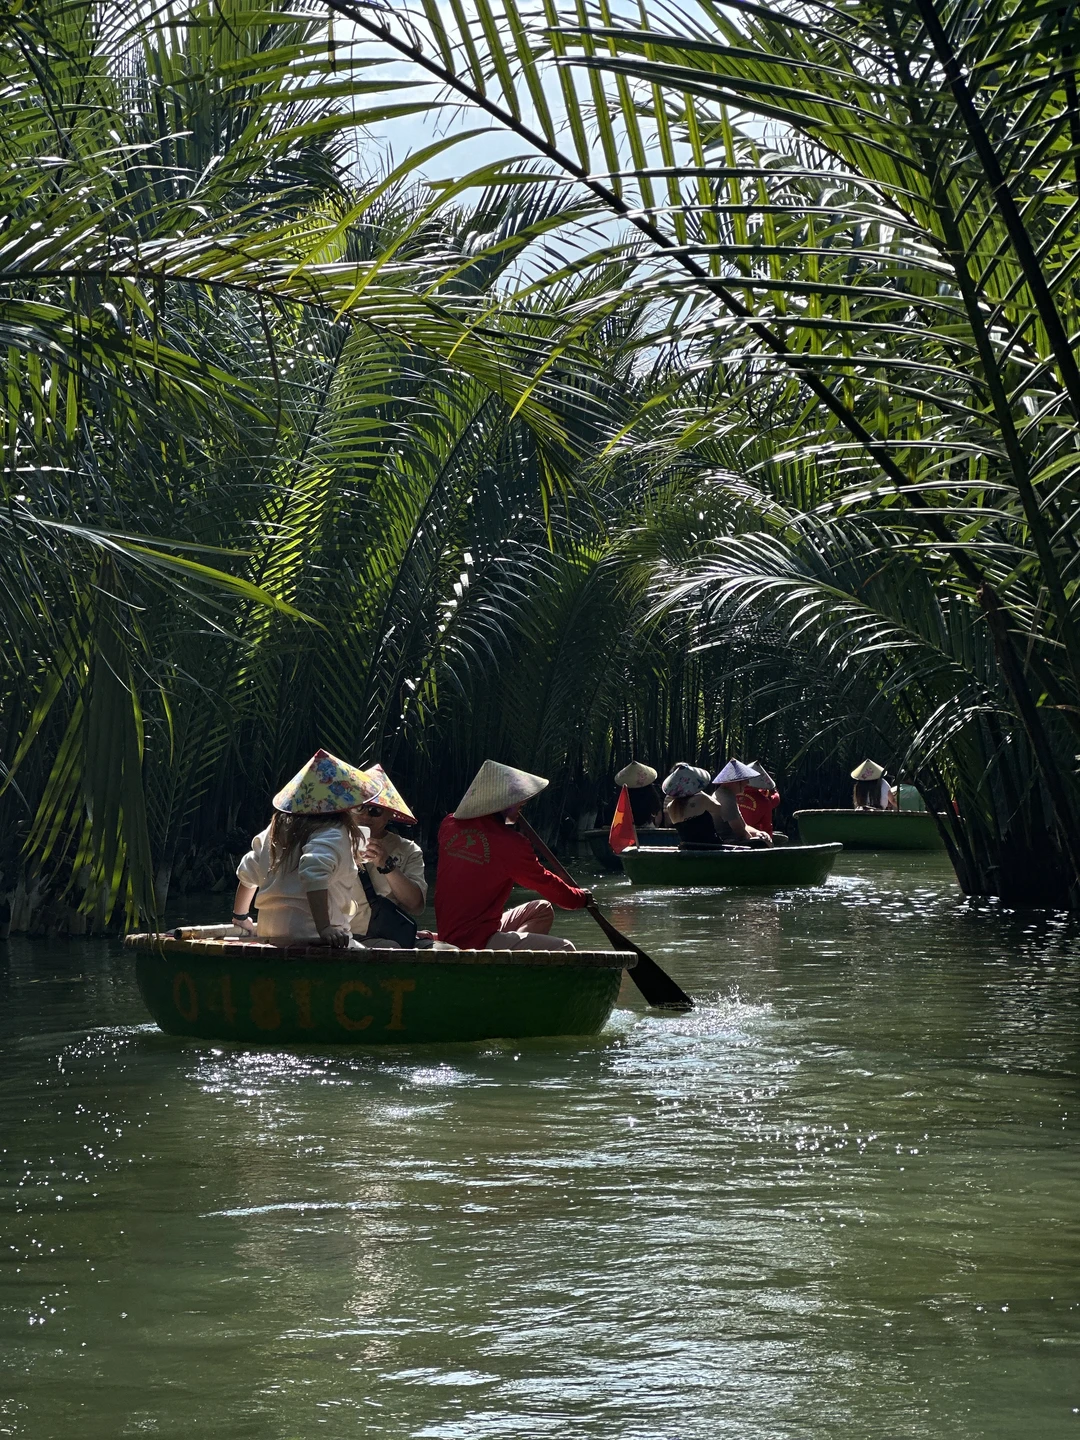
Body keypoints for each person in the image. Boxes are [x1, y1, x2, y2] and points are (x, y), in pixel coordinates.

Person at [435, 760, 592, 950]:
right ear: (502, 805)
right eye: (518, 805)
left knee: (542, 909)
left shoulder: (448, 825)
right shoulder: (511, 843)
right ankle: (507, 957)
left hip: (463, 930)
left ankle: (511, 958)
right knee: (566, 948)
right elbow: (544, 881)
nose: (521, 808)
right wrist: (580, 898)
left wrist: (509, 816)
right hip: (475, 941)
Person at [231, 749, 380, 946]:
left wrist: (240, 917)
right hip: (313, 936)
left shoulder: (275, 829)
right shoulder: (335, 831)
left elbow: (248, 870)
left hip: (269, 934)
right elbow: (313, 870)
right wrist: (324, 928)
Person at [350, 763, 427, 939]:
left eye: (375, 810)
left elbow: (416, 906)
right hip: (341, 934)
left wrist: (387, 865)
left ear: (390, 813)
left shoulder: (408, 849)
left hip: (384, 935)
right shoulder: (331, 841)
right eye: (359, 807)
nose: (365, 816)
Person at [662, 760, 771, 847]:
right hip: (710, 846)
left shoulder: (670, 806)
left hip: (688, 847)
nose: (747, 783)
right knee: (762, 844)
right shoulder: (703, 799)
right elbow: (718, 808)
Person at [614, 761, 664, 828]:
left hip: (626, 827)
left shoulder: (622, 795)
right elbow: (656, 807)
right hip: (647, 826)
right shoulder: (650, 792)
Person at [738, 762, 782, 837]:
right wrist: (774, 790)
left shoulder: (731, 792)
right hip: (751, 835)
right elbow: (767, 828)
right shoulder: (764, 801)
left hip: (728, 833)